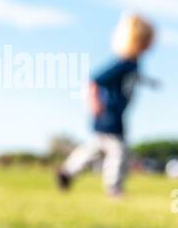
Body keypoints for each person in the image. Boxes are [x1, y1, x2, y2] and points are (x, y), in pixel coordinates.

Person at [57, 12, 157, 197]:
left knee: (93, 149)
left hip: (115, 114)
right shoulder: (123, 63)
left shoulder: (134, 65)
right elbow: (94, 80)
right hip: (109, 114)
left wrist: (150, 82)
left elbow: (133, 79)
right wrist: (94, 103)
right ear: (138, 41)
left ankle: (67, 171)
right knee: (117, 152)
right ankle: (114, 188)